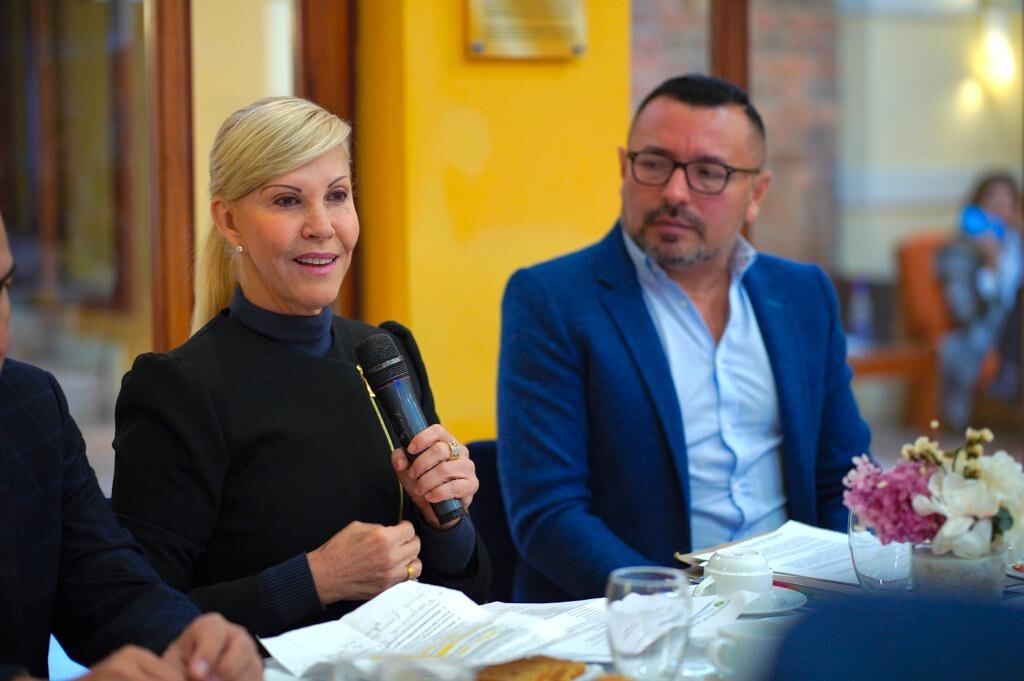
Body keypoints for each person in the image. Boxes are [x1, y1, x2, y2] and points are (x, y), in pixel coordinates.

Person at [111, 97, 489, 637]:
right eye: (287, 201)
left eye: (337, 196)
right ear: (228, 219)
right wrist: (318, 579)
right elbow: (141, 618)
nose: (321, 225)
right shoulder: (179, 388)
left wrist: (446, 522)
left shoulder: (383, 353)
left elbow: (468, 596)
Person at [497, 74, 871, 602]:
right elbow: (549, 515)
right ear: (624, 169)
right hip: (638, 619)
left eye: (708, 174)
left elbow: (845, 476)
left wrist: (834, 593)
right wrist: (680, 609)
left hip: (798, 610)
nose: (674, 192)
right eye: (653, 164)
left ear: (756, 193)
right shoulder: (552, 301)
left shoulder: (802, 295)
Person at [0, 212, 261, 681]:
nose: (5, 334)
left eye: (3, 285)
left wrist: (194, 640)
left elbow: (105, 581)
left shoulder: (29, 405)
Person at [938, 172, 1022, 428]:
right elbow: (964, 310)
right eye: (991, 197)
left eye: (1006, 198)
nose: (999, 204)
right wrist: (990, 265)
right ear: (975, 207)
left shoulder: (1016, 244)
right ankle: (1007, 372)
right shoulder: (959, 251)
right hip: (983, 329)